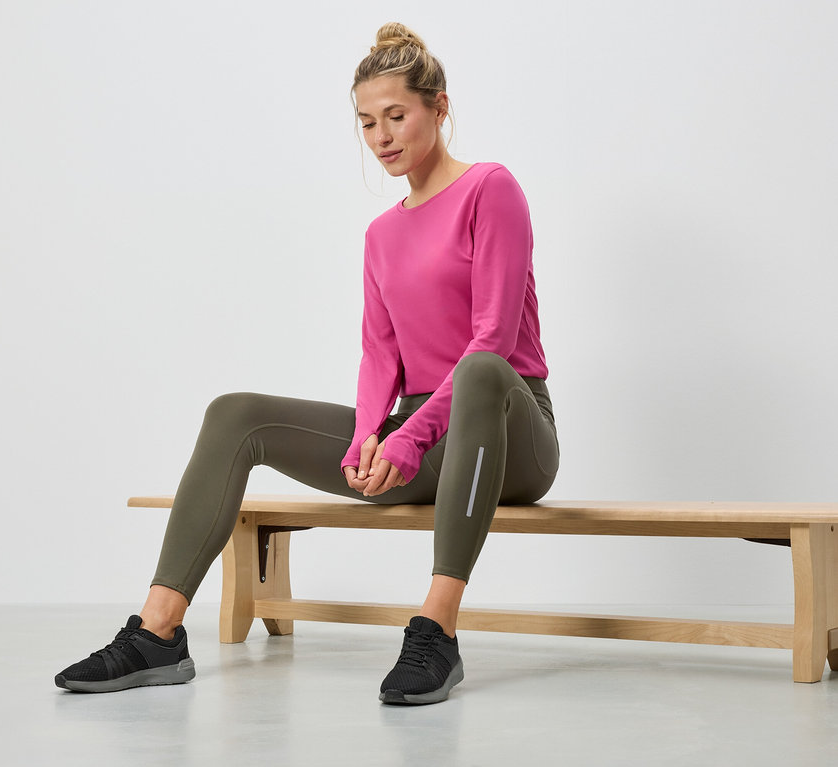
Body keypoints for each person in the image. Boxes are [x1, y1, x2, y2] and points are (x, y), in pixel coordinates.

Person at [55, 22, 560, 705]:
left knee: (477, 371)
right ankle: (158, 632)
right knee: (236, 414)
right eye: (366, 123)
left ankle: (437, 630)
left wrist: (410, 435)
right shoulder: (381, 235)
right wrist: (366, 439)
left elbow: (493, 338)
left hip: (508, 426)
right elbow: (381, 353)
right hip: (422, 442)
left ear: (439, 108)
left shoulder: (489, 189)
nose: (381, 136)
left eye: (396, 116)